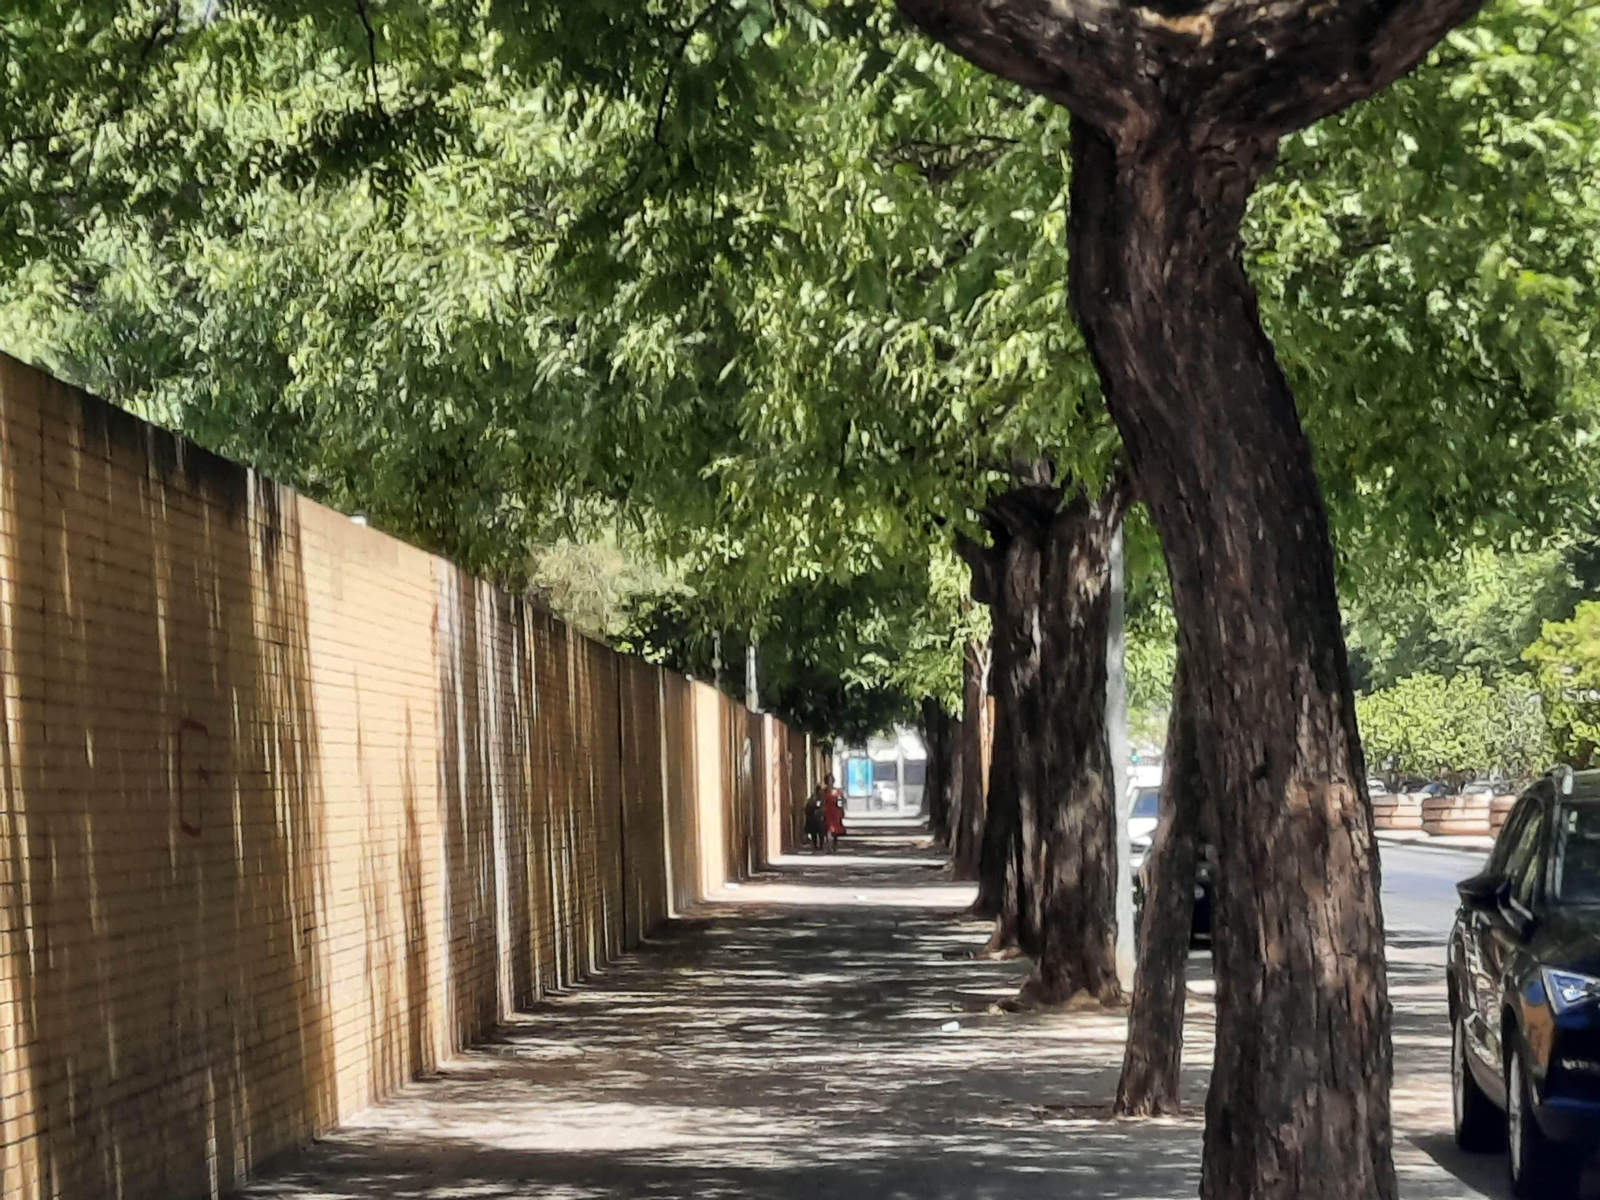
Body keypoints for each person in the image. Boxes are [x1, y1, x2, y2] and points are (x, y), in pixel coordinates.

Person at [821, 775, 846, 853]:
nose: (830, 782)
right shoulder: (823, 791)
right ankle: (828, 845)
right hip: (827, 811)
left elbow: (840, 801)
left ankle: (834, 845)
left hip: (835, 812)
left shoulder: (837, 791)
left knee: (835, 830)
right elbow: (822, 801)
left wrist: (841, 810)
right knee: (828, 828)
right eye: (828, 780)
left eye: (831, 780)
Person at [803, 786, 825, 852]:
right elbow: (808, 808)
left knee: (821, 833)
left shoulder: (822, 799)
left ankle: (820, 845)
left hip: (819, 818)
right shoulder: (813, 798)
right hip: (813, 818)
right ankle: (816, 846)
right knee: (814, 833)